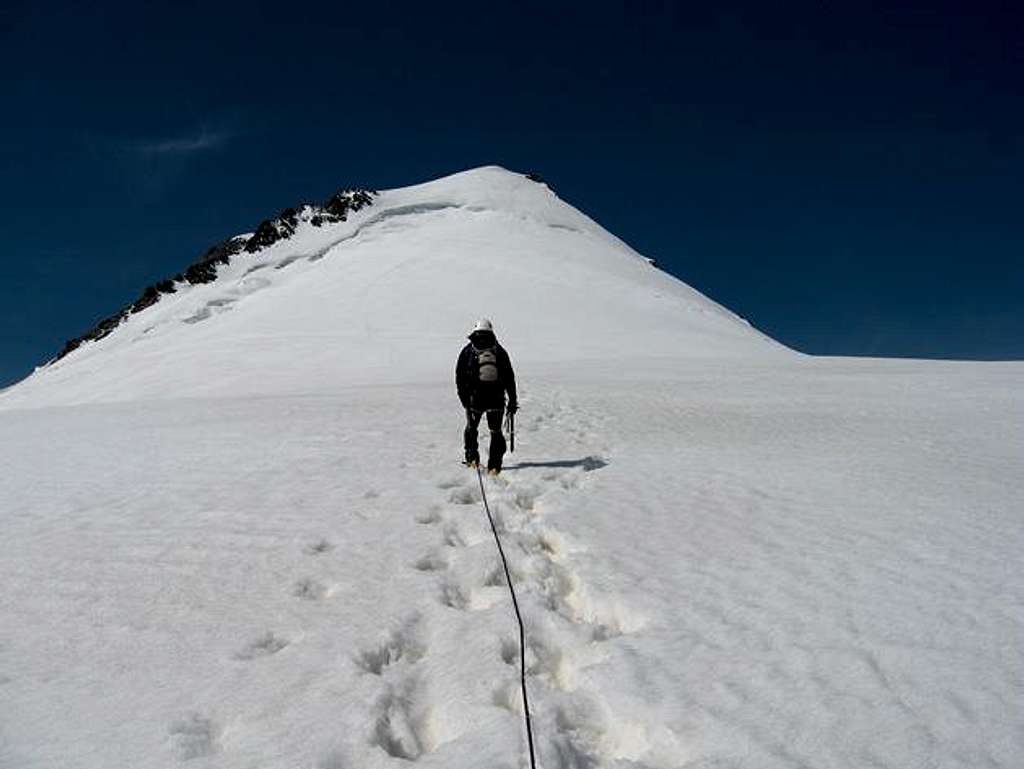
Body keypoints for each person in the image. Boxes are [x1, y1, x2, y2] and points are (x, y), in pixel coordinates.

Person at [455, 319, 518, 474]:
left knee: (471, 428)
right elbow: (509, 377)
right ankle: (494, 466)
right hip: (496, 399)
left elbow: (460, 376)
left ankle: (472, 459)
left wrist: (464, 399)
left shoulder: (468, 351)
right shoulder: (499, 351)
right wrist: (512, 400)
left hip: (474, 400)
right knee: (495, 431)